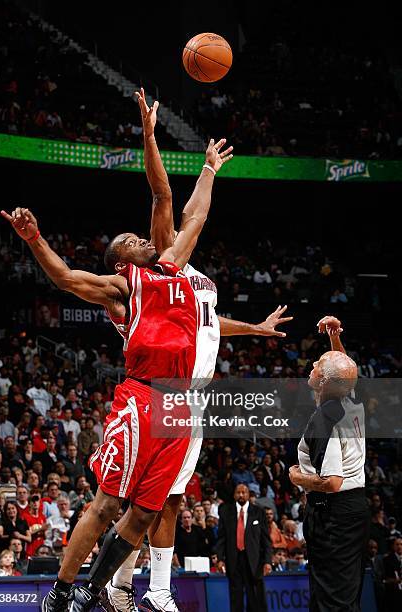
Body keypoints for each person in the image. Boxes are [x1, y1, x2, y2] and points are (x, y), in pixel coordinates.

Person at [2, 127, 233, 612]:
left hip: (180, 406)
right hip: (143, 396)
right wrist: (35, 239)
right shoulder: (124, 288)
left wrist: (209, 169)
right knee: (108, 503)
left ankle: (95, 589)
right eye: (129, 240)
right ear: (120, 259)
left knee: (145, 512)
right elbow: (66, 278)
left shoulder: (174, 265)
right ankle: (61, 592)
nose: (139, 238)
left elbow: (194, 211)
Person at [103, 88, 291, 612]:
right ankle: (131, 586)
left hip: (195, 396)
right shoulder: (159, 270)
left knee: (171, 497)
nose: (153, 238)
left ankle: (140, 589)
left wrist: (252, 329)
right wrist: (151, 138)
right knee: (146, 499)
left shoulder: (191, 279)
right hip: (163, 391)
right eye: (138, 242)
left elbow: (209, 324)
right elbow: (168, 199)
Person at [289, 316, 369, 612]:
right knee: (345, 593)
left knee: (332, 599)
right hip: (354, 508)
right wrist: (335, 339)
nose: (311, 366)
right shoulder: (350, 401)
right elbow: (344, 372)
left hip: (333, 514)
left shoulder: (326, 419)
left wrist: (298, 477)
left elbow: (332, 482)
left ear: (323, 381)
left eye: (317, 366)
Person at [215, 483, 271, 611]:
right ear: (234, 495)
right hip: (233, 561)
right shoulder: (225, 511)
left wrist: (267, 561)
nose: (241, 495)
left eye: (244, 492)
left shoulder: (259, 512)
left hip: (254, 562)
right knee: (236, 599)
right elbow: (221, 538)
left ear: (248, 494)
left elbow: (266, 540)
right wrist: (220, 558)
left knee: (256, 600)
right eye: (238, 492)